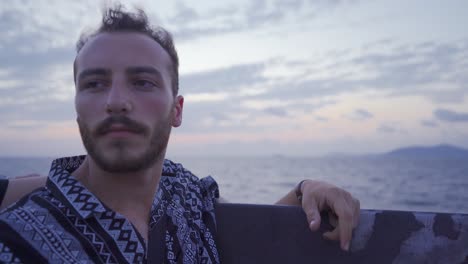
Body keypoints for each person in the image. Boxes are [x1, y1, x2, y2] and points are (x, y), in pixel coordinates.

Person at [0, 5, 360, 264]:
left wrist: (305, 191)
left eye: (142, 82)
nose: (116, 101)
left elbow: (244, 224)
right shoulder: (18, 242)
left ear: (177, 110)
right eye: (94, 84)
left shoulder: (183, 191)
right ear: (77, 104)